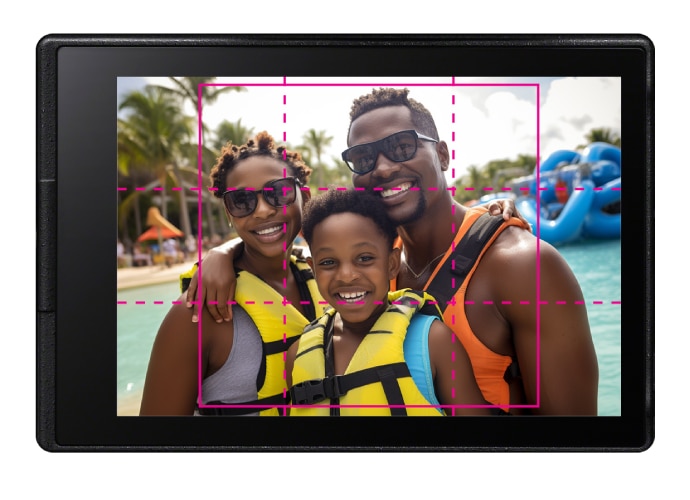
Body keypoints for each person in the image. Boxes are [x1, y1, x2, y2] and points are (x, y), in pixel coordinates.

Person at [186, 88, 598, 415]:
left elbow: (576, 446)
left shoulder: (524, 266)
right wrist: (223, 253)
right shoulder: (371, 267)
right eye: (363, 158)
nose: (382, 167)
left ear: (441, 154)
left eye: (401, 146)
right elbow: (281, 243)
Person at [139, 131, 324, 416]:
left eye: (279, 191)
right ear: (229, 213)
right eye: (241, 201)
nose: (262, 210)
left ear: (305, 196)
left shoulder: (329, 279)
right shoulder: (196, 314)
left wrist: (223, 251)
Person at [286, 189, 490, 416]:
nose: (346, 275)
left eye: (365, 258)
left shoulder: (434, 341)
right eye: (328, 262)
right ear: (313, 269)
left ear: (392, 264)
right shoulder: (297, 353)